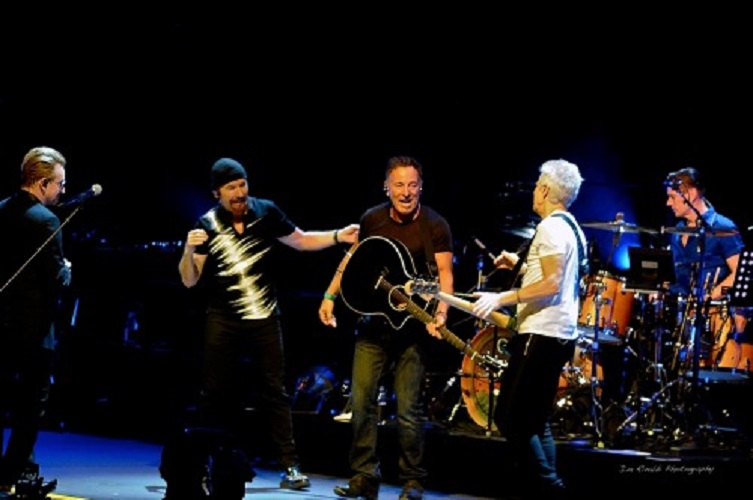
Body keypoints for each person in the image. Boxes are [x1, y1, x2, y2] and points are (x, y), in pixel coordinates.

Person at [175, 157, 359, 492]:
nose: (239, 193)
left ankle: (290, 466)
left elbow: (300, 240)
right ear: (217, 193)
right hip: (223, 319)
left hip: (264, 316)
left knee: (275, 391)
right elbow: (189, 279)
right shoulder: (207, 224)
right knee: (214, 394)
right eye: (231, 188)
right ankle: (204, 465)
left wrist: (337, 236)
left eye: (242, 184)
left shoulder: (266, 211)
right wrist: (188, 250)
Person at [318, 155, 454, 500]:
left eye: (412, 185)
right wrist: (330, 295)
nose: (406, 192)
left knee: (408, 409)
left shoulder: (435, 225)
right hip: (373, 325)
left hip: (412, 329)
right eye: (399, 185)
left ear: (421, 187)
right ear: (386, 187)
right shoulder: (372, 219)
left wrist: (441, 313)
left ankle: (413, 481)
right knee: (361, 402)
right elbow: (351, 260)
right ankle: (365, 476)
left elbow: (444, 275)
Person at [472, 159, 586, 497]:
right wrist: (521, 264)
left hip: (541, 334)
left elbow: (551, 284)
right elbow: (555, 275)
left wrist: (501, 298)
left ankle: (551, 487)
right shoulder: (571, 226)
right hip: (559, 334)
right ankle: (547, 486)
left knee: (510, 418)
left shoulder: (550, 228)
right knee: (535, 420)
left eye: (538, 184)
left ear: (546, 190)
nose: (534, 190)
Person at [0, 147, 72, 492]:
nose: (62, 191)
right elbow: (58, 279)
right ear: (42, 183)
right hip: (33, 330)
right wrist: (67, 269)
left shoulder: (1, 209)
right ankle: (9, 475)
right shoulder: (46, 220)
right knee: (30, 407)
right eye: (59, 184)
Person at [663, 167, 747, 369]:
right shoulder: (677, 232)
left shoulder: (722, 227)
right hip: (680, 318)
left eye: (673, 197)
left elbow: (740, 271)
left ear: (691, 194)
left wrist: (711, 295)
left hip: (714, 318)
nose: (668, 203)